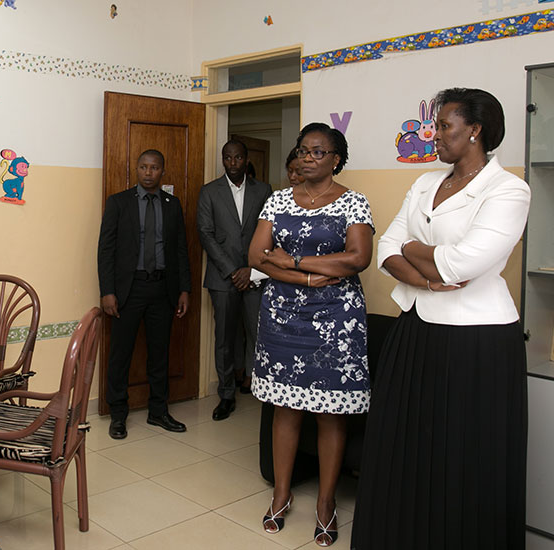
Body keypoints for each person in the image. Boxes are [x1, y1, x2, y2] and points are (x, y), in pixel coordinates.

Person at [351, 88, 529, 550]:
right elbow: (386, 249)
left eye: (445, 125)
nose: (434, 136)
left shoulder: (508, 188)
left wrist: (416, 250)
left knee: (462, 458)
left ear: (475, 131)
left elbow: (464, 264)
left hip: (476, 342)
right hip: (417, 330)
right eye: (434, 125)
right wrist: (426, 275)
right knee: (406, 452)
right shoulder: (426, 183)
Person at [248, 123, 374, 546]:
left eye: (318, 152)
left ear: (336, 158)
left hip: (337, 319)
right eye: (303, 151)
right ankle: (281, 495)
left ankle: (325, 504)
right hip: (283, 317)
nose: (307, 158)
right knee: (285, 409)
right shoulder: (277, 199)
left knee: (330, 412)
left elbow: (357, 259)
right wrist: (306, 278)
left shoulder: (354, 202)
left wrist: (294, 260)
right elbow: (256, 256)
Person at [97, 149, 191, 439]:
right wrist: (108, 291)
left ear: (163, 171)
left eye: (154, 168)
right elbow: (105, 251)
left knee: (159, 353)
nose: (148, 173)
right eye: (143, 167)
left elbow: (180, 250)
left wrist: (184, 289)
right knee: (120, 353)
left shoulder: (172, 204)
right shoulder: (118, 203)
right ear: (136, 169)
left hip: (163, 289)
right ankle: (118, 414)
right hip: (129, 289)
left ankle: (158, 411)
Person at [197, 139, 271, 420]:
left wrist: (251, 269)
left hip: (255, 275)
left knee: (258, 332)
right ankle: (226, 393)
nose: (232, 163)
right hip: (222, 277)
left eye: (238, 158)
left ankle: (259, 383)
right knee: (225, 338)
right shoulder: (209, 192)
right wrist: (232, 270)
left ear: (246, 159)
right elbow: (206, 234)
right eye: (227, 158)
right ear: (223, 159)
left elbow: (270, 232)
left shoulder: (263, 190)